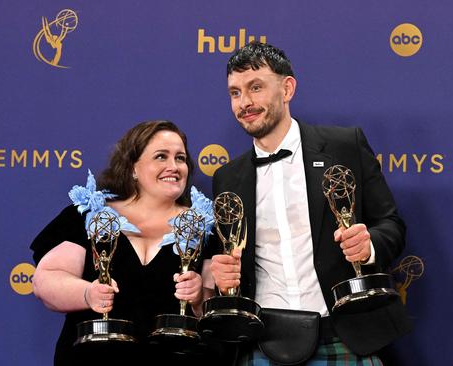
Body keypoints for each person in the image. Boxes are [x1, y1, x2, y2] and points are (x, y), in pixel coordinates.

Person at [209, 42, 412, 365]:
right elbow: (230, 262)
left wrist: (369, 245)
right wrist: (220, 277)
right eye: (235, 93)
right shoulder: (226, 178)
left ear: (287, 88)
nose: (244, 102)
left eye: (256, 88)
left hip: (345, 333)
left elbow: (391, 224)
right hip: (262, 341)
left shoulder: (345, 146)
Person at [30, 120, 218, 365]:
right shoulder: (88, 214)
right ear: (133, 167)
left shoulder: (206, 226)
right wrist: (88, 294)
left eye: (180, 158)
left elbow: (214, 309)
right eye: (161, 157)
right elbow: (46, 281)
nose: (173, 166)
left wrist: (198, 296)